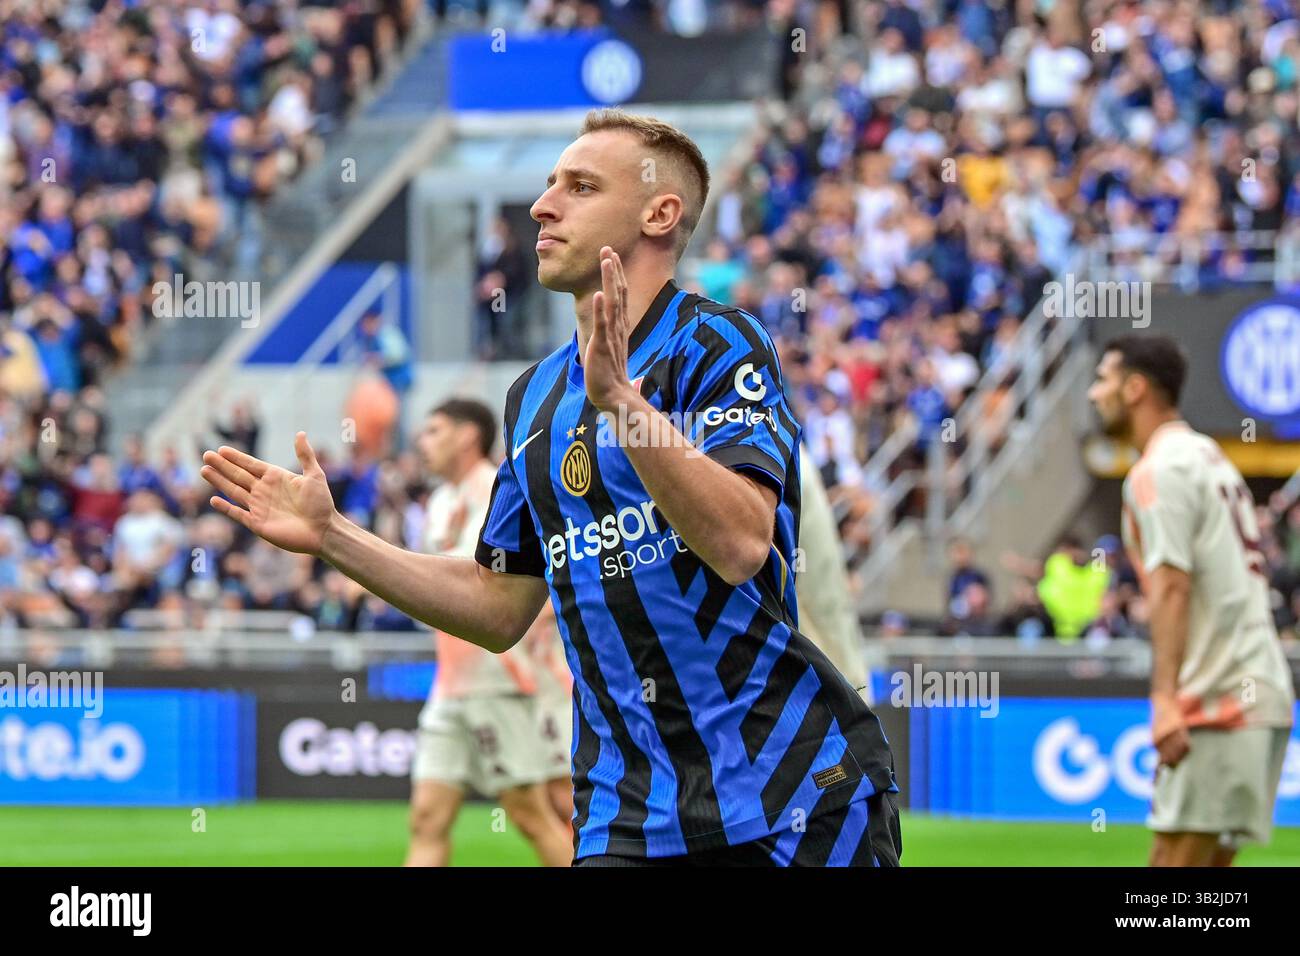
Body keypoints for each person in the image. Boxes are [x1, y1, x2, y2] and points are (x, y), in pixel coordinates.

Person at [201, 108, 899, 867]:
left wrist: (625, 407)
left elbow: (738, 545)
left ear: (659, 213)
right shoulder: (533, 397)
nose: (543, 205)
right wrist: (336, 538)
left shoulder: (717, 343)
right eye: (547, 185)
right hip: (624, 815)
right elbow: (499, 604)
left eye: (580, 185)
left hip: (790, 797)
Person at [1087, 334, 1295, 867]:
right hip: (1257, 686)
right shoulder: (1210, 457)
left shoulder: (1159, 470)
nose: (1094, 394)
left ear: (1135, 389)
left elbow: (1172, 586)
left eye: (1103, 379)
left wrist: (1164, 702)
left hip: (1219, 697)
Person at [405, 399, 571, 867]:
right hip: (450, 686)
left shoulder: (500, 490)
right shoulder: (438, 503)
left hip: (503, 678)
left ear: (467, 436)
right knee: (426, 817)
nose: (423, 442)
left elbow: (524, 589)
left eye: (434, 431)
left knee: (532, 814)